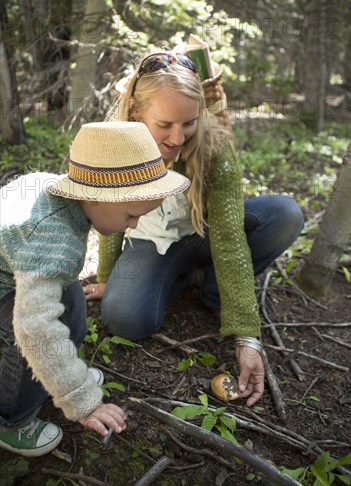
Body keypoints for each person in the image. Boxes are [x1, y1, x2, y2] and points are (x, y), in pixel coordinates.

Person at [85, 51, 304, 407]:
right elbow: (109, 214)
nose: (178, 137)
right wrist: (108, 274)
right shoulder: (116, 143)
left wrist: (247, 336)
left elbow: (230, 241)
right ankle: (183, 276)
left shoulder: (213, 148)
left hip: (206, 233)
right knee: (123, 319)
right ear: (138, 113)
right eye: (165, 124)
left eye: (188, 123)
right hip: (151, 243)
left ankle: (215, 292)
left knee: (285, 214)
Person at [0, 121, 190, 457]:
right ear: (95, 197)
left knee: (69, 300)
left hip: (15, 267)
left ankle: (58, 373)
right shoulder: (53, 240)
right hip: (8, 286)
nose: (133, 226)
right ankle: (11, 418)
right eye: (131, 216)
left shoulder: (56, 194)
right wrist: (81, 399)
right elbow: (34, 328)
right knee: (29, 337)